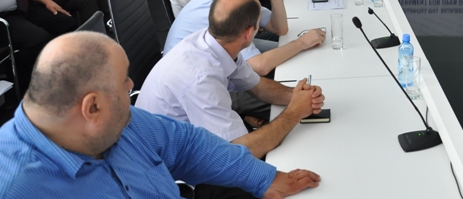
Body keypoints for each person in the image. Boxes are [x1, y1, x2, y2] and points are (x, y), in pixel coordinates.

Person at [0, 31, 321, 198]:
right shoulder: (18, 188)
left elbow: (187, 145)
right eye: (124, 82)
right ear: (92, 107)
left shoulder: (119, 122)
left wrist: (263, 177)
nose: (132, 86)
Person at [137, 0, 325, 161]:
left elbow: (258, 87)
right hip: (161, 164)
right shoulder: (201, 77)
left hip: (178, 142)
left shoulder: (215, 42)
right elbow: (239, 154)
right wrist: (294, 112)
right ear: (249, 33)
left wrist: (298, 96)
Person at [165, 0, 325, 78]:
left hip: (202, 60)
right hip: (192, 79)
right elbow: (260, 66)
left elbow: (280, 29)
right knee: (295, 58)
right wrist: (301, 43)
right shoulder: (230, 9)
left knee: (291, 53)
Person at [0, 0, 77, 92]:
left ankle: (65, 73)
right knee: (38, 40)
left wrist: (47, 1)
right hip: (3, 18)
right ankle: (29, 88)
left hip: (24, 6)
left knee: (66, 23)